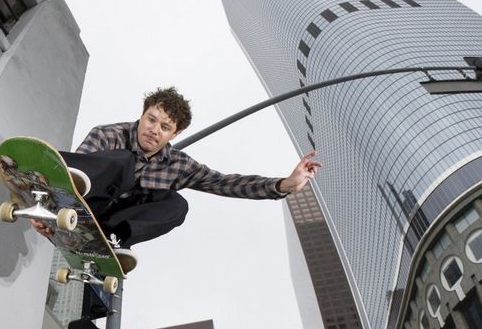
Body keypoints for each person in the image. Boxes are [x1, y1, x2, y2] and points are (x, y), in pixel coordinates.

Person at [33, 86, 320, 252]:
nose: (153, 131)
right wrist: (49, 206)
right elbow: (77, 170)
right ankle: (61, 204)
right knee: (122, 160)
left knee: (177, 204)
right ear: (142, 114)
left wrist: (284, 185)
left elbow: (226, 182)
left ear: (175, 134)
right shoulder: (108, 134)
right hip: (81, 203)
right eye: (151, 119)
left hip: (107, 222)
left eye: (165, 127)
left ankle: (112, 239)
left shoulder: (178, 165)